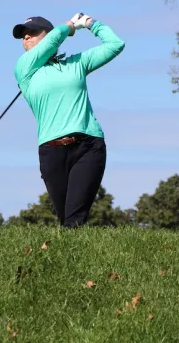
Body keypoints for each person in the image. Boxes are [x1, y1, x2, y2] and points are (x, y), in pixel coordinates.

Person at [12, 13, 125, 228]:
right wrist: (68, 27)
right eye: (23, 35)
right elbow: (54, 41)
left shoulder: (75, 64)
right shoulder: (24, 69)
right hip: (51, 151)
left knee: (74, 219)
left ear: (48, 34)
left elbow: (115, 44)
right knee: (66, 218)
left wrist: (91, 24)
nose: (26, 37)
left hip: (88, 145)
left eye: (33, 32)